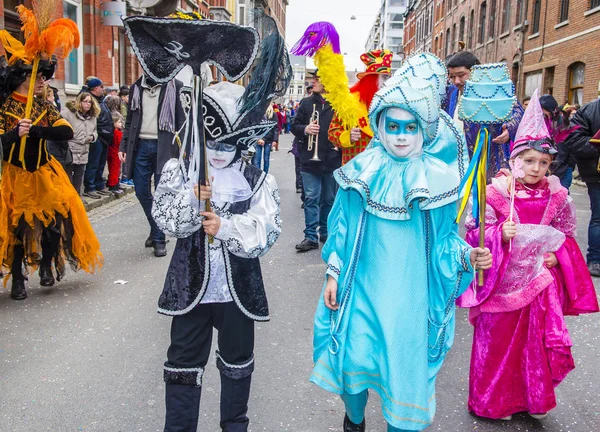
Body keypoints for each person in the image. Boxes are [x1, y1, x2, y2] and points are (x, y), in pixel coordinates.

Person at [310, 70, 492, 431]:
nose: (402, 136)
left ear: (423, 130)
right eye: (393, 127)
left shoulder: (437, 180)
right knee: (353, 361)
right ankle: (354, 423)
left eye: (410, 128)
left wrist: (467, 256)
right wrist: (333, 272)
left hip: (409, 300)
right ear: (380, 126)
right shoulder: (361, 170)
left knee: (402, 378)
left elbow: (443, 242)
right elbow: (343, 228)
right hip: (360, 288)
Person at [457, 90, 599, 421]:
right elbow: (475, 232)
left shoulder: (557, 198)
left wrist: (556, 258)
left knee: (532, 343)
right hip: (501, 284)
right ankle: (493, 402)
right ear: (514, 160)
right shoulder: (495, 194)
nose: (536, 168)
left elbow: (565, 237)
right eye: (529, 160)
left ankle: (530, 398)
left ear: (551, 165)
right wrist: (496, 235)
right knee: (497, 343)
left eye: (544, 162)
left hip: (536, 283)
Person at [0, 42, 102, 299]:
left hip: (46, 174)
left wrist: (36, 130)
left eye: (44, 76)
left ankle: (46, 264)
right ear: (23, 78)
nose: (43, 81)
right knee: (17, 229)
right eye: (38, 76)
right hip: (16, 177)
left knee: (53, 225)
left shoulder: (42, 107)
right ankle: (17, 283)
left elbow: (66, 131)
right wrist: (15, 133)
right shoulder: (4, 108)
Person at [118, 75, 187, 257]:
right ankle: (157, 227)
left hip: (165, 146)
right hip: (140, 145)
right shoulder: (136, 87)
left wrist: (185, 149)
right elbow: (130, 120)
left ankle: (158, 239)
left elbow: (182, 121)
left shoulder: (176, 86)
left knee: (162, 193)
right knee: (141, 191)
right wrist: (124, 145)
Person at [445, 51, 524, 182]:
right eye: (452, 77)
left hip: (489, 164)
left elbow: (518, 112)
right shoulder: (451, 93)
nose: (456, 81)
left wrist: (509, 129)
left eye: (461, 75)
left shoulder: (494, 90)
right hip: (456, 164)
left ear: (475, 72)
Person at [291, 70, 341, 252]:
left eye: (317, 79)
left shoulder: (338, 104)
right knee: (311, 198)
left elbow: (345, 127)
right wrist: (305, 129)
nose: (314, 82)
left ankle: (325, 233)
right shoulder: (306, 103)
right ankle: (310, 236)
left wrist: (342, 141)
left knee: (328, 199)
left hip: (331, 160)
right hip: (309, 161)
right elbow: (293, 126)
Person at [328, 49, 393, 165]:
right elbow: (332, 132)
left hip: (382, 168)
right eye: (384, 77)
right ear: (372, 79)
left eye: (388, 78)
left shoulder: (391, 102)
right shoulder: (349, 101)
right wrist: (348, 136)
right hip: (354, 167)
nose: (387, 83)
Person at [563, 98, 600, 276]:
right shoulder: (590, 110)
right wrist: (597, 144)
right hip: (597, 175)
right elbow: (573, 139)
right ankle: (595, 260)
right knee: (599, 218)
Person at [61, 92, 100, 196]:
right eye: (85, 101)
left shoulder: (93, 116)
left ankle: (78, 200)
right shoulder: (68, 113)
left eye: (90, 102)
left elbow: (95, 131)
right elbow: (61, 129)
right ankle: (69, 202)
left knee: (79, 179)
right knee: (68, 179)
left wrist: (92, 137)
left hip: (84, 151)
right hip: (70, 151)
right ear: (80, 102)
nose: (88, 104)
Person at [538, 94, 579, 190]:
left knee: (561, 196)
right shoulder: (544, 121)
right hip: (548, 166)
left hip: (563, 167)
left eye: (543, 110)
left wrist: (566, 165)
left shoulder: (563, 123)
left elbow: (565, 148)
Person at [82, 77, 115, 199]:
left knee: (101, 163)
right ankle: (90, 187)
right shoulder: (90, 100)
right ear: (96, 88)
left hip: (104, 136)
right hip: (98, 136)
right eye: (101, 87)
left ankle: (98, 184)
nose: (103, 89)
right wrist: (101, 131)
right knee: (93, 163)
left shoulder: (100, 100)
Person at [103, 95, 125, 195]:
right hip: (115, 153)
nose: (121, 124)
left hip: (114, 152)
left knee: (115, 169)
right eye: (119, 122)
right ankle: (113, 184)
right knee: (115, 169)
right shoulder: (117, 133)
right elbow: (120, 142)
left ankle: (114, 182)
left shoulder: (115, 132)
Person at [252, 105, 278, 173]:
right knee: (257, 159)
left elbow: (275, 128)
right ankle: (258, 175)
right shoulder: (257, 113)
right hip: (259, 139)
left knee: (266, 159)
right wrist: (258, 138)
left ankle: (265, 175)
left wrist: (275, 140)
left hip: (269, 139)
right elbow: (254, 126)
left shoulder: (273, 114)